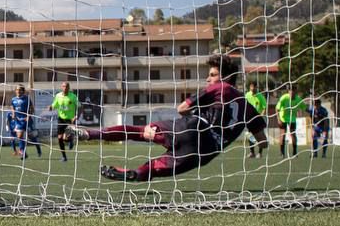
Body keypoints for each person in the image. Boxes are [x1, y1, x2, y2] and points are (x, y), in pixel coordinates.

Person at [74, 55, 268, 181]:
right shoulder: (248, 106)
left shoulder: (219, 88)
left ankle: (89, 134)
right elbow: (263, 141)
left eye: (212, 75)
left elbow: (182, 108)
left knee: (139, 132)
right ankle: (134, 173)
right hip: (205, 152)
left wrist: (198, 115)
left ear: (225, 77)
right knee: (152, 170)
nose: (208, 79)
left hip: (190, 128)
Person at [51, 81, 80, 162]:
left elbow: (80, 106)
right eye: (63, 86)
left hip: (70, 120)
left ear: (69, 88)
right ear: (61, 87)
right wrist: (50, 107)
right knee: (60, 138)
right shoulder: (58, 96)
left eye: (66, 86)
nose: (65, 88)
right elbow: (54, 105)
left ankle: (70, 140)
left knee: (66, 138)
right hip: (61, 119)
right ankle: (64, 157)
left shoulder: (73, 96)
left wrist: (76, 116)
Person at [275, 85, 306, 157]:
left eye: (293, 90)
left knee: (293, 135)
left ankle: (295, 152)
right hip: (283, 118)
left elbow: (304, 107)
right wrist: (278, 119)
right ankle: (282, 153)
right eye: (290, 90)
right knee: (283, 135)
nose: (291, 92)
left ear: (295, 91)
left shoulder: (298, 99)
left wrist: (302, 114)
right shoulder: (284, 98)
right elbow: (277, 108)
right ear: (288, 91)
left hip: (292, 119)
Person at [244, 82, 267, 159]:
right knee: (250, 136)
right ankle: (252, 152)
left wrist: (261, 115)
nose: (253, 88)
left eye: (255, 87)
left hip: (258, 119)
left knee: (260, 136)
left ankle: (260, 153)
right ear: (250, 87)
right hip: (250, 119)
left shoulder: (260, 96)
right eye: (252, 87)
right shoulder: (247, 95)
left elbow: (264, 107)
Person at [9, 85, 33, 159]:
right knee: (20, 136)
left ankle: (22, 151)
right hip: (17, 120)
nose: (18, 91)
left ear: (23, 91)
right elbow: (12, 107)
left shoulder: (27, 99)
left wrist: (28, 115)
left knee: (22, 136)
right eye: (17, 89)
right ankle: (23, 152)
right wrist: (13, 113)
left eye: (20, 90)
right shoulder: (13, 99)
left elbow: (32, 108)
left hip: (25, 119)